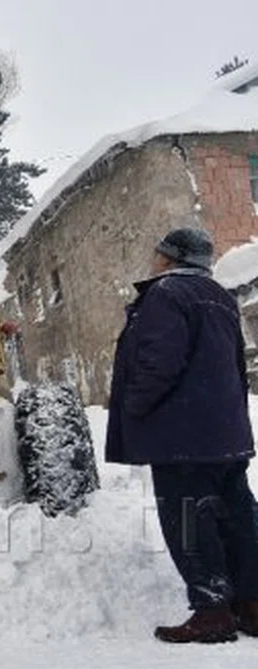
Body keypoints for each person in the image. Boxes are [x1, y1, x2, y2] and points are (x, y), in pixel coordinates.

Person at [106, 226, 258, 644]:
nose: (153, 258)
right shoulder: (222, 298)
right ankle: (251, 604)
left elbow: (159, 360)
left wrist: (134, 406)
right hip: (225, 434)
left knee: (190, 520)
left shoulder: (166, 294)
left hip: (180, 435)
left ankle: (212, 612)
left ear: (171, 258)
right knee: (238, 516)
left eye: (158, 251)